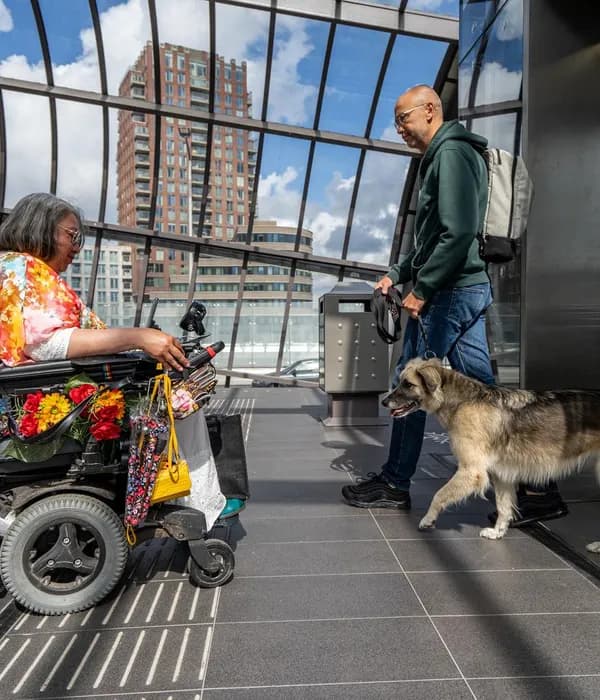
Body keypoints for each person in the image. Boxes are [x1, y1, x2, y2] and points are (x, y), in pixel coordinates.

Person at [341, 85, 566, 526]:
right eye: (396, 121)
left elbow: (458, 232)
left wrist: (421, 289)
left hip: (451, 291)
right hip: (461, 286)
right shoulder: (445, 155)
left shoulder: (452, 154)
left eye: (403, 118)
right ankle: (533, 488)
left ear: (430, 110)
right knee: (485, 394)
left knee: (410, 380)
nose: (399, 128)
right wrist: (399, 272)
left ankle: (395, 482)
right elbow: (431, 236)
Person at [0, 192, 234, 528]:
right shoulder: (28, 271)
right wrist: (138, 337)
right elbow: (47, 344)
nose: (77, 246)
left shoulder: (11, 270)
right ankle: (202, 509)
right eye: (72, 235)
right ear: (41, 228)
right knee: (181, 399)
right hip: (56, 401)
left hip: (34, 396)